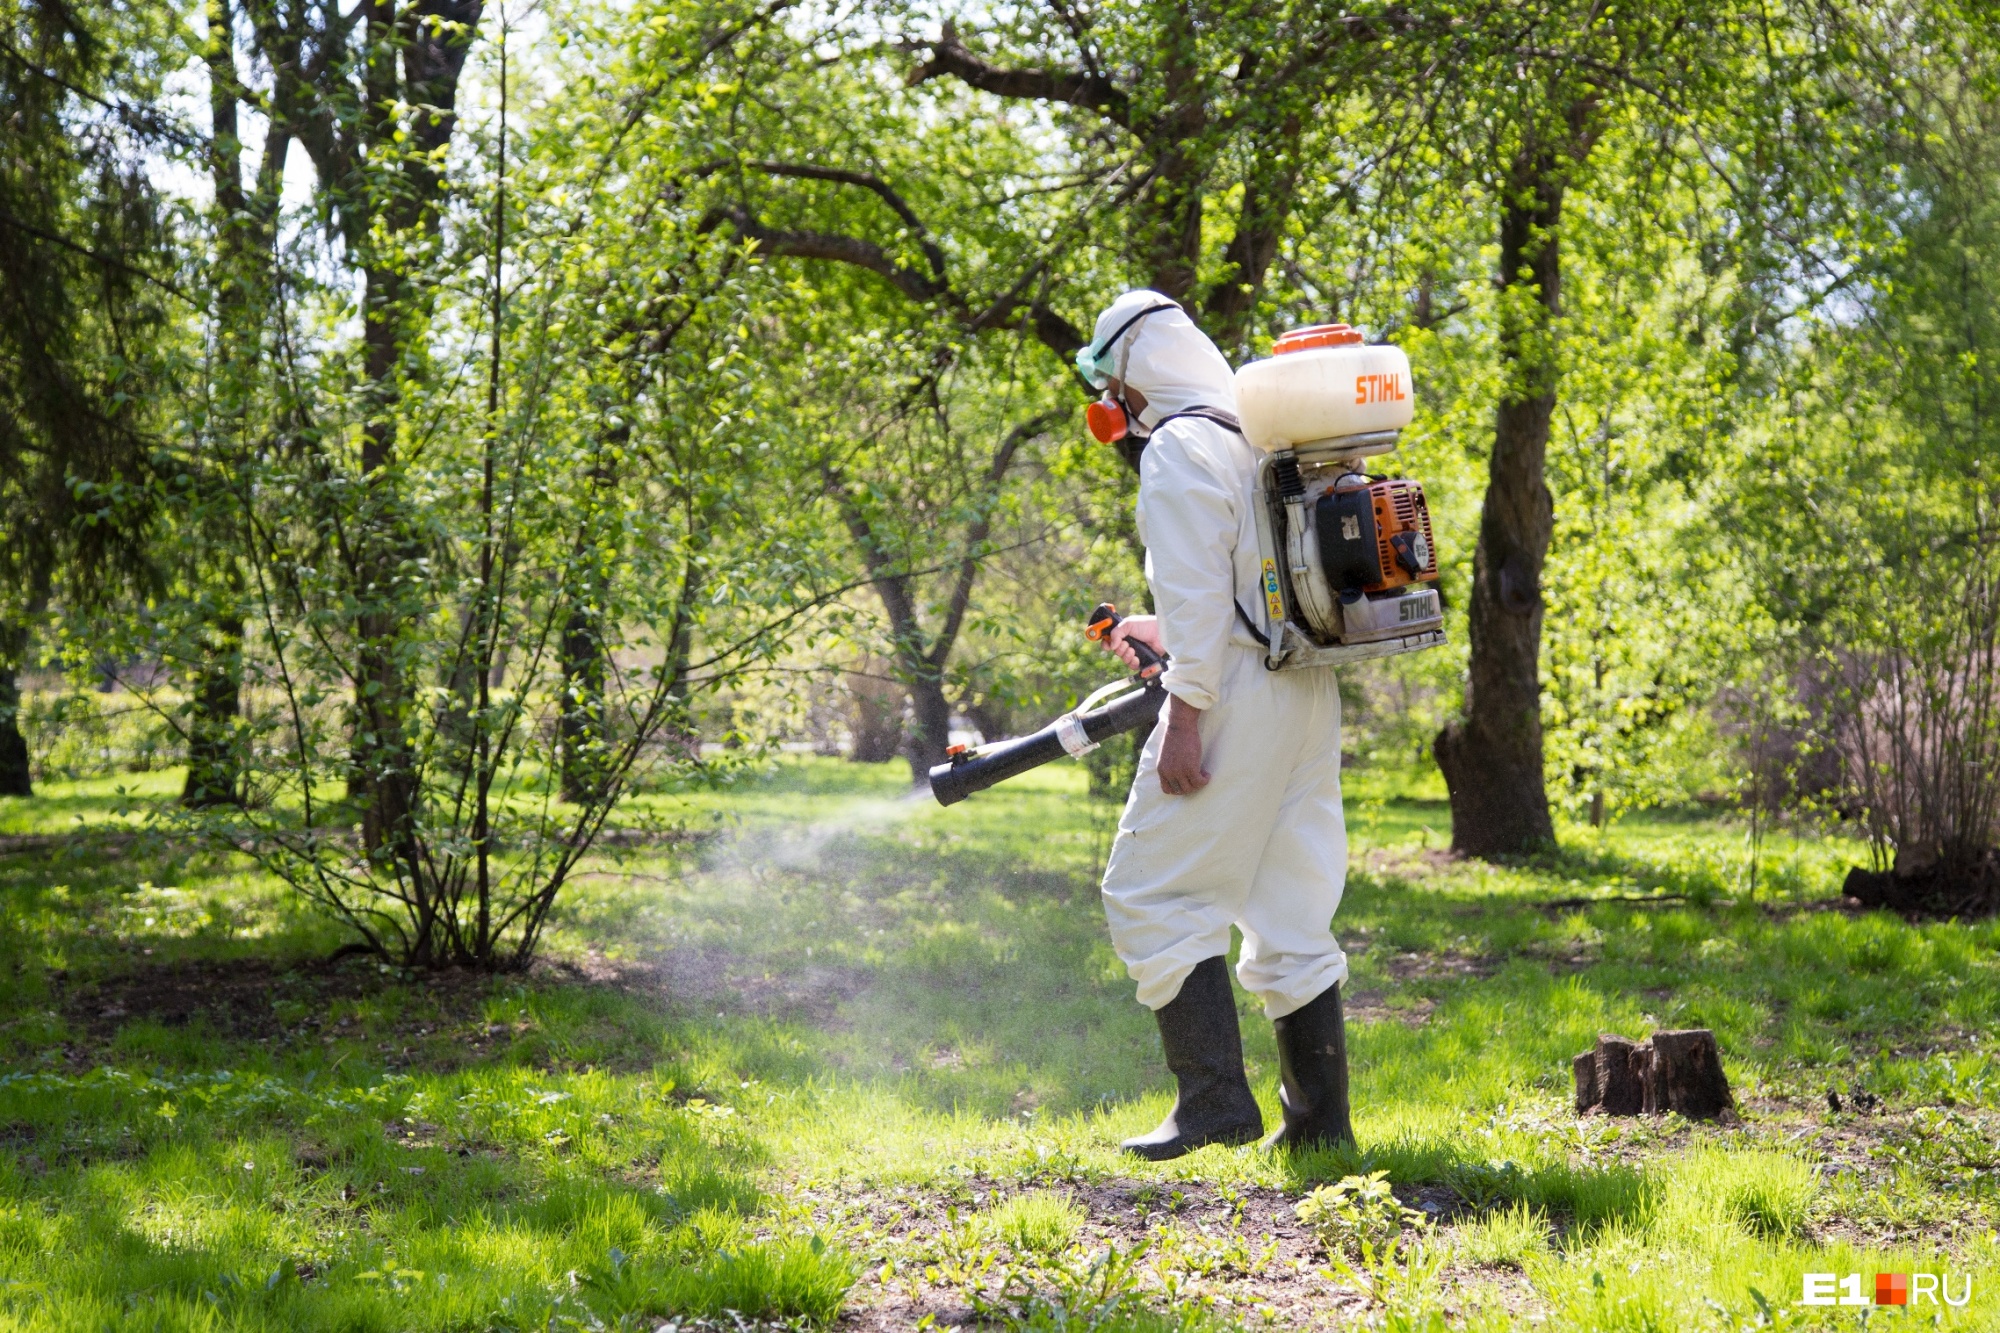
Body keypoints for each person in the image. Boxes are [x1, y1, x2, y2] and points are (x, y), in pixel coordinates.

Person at [1078, 290, 1354, 1160]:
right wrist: (1172, 636)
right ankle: (1318, 1128)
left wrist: (1186, 719)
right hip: (1304, 688)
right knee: (1291, 907)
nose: (1110, 408)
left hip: (1232, 695)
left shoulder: (1178, 449)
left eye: (1110, 384)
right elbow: (1243, 589)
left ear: (1137, 370)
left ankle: (1213, 1102)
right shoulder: (1261, 438)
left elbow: (1200, 599)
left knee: (1148, 890)